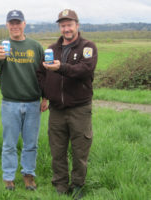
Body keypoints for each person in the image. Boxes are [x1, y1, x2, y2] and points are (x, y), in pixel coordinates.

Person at [37, 9, 98, 199]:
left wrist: (60, 67)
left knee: (80, 151)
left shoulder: (87, 47)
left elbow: (84, 70)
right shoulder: (51, 49)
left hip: (79, 108)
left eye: (69, 24)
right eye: (63, 25)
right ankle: (60, 185)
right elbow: (41, 72)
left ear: (77, 25)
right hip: (57, 109)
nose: (66, 29)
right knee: (57, 150)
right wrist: (45, 94)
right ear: (60, 27)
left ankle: (78, 185)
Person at [0, 10, 44, 191]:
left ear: (24, 24)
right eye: (11, 23)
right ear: (7, 25)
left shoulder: (35, 46)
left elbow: (44, 74)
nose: (15, 26)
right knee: (9, 144)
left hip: (33, 103)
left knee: (31, 143)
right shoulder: (1, 45)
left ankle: (28, 175)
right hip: (10, 103)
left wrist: (46, 97)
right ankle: (8, 177)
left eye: (18, 22)